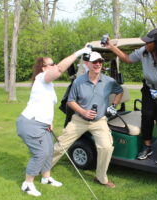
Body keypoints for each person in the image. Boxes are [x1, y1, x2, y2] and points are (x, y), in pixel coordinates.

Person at [16, 46, 92, 197]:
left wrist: (49, 122)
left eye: (54, 63)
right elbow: (59, 70)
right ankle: (27, 183)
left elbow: (45, 105)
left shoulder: (47, 84)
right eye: (51, 64)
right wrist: (78, 53)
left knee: (50, 150)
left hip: (43, 124)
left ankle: (46, 178)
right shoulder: (41, 78)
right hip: (30, 123)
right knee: (41, 153)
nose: (54, 65)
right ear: (43, 68)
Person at [106, 28, 157, 164]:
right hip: (149, 88)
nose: (146, 44)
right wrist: (111, 47)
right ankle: (147, 146)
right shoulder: (144, 52)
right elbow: (127, 58)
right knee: (147, 115)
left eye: (149, 42)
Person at [52, 51, 123, 188]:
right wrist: (84, 111)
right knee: (60, 146)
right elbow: (70, 101)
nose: (98, 64)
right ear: (87, 64)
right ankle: (43, 169)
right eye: (95, 62)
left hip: (99, 121)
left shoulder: (109, 81)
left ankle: (101, 178)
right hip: (79, 120)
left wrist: (114, 105)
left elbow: (119, 91)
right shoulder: (78, 81)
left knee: (107, 147)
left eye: (100, 62)